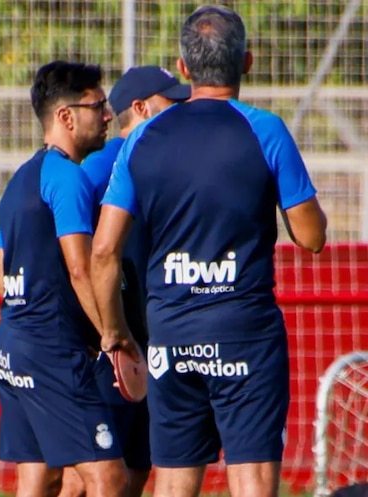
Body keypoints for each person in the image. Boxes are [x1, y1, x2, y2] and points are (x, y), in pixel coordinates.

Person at [91, 6, 327, 497]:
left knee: (174, 481)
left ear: (183, 67)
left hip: (171, 334)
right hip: (245, 334)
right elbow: (312, 237)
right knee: (253, 480)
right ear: (247, 62)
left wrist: (116, 332)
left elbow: (104, 251)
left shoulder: (144, 139)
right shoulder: (265, 131)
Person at [0, 60, 129, 497]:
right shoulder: (67, 178)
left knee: (41, 478)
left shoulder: (21, 180)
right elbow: (80, 267)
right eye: (99, 105)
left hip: (10, 348)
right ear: (66, 116)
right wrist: (112, 333)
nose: (108, 115)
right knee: (111, 480)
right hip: (50, 352)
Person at [59, 66, 190, 497]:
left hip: (155, 340)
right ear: (141, 107)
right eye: (173, 102)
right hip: (111, 345)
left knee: (135, 472)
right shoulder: (100, 165)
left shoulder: (173, 159)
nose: (182, 110)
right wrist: (103, 330)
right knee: (90, 477)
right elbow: (63, 243)